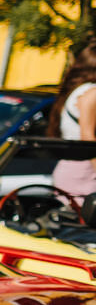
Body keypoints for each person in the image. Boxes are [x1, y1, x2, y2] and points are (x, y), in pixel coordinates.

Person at [48, 42, 96, 201]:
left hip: (73, 169)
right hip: (85, 174)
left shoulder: (79, 89)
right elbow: (88, 139)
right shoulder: (92, 92)